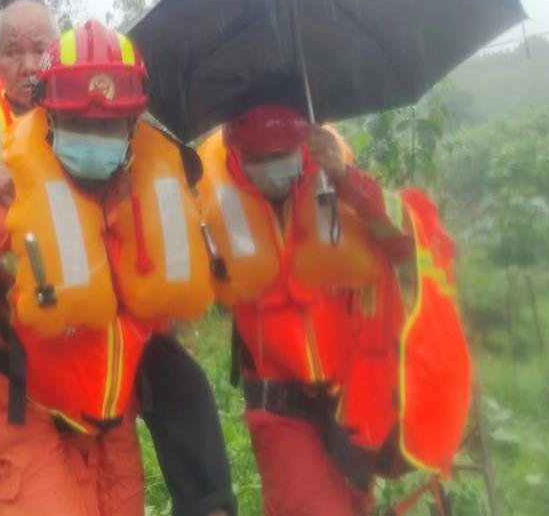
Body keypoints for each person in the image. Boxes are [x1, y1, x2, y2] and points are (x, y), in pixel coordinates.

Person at [0, 20, 233, 515]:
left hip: (111, 423)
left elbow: (166, 309)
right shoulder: (7, 215)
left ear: (133, 127)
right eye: (80, 124)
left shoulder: (149, 206)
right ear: (51, 121)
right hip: (27, 413)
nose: (94, 137)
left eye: (108, 126)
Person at [195, 105, 471, 515]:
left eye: (282, 156)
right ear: (236, 152)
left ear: (302, 146)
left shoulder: (338, 179)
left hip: (353, 406)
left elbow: (404, 245)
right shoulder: (209, 199)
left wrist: (346, 179)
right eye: (259, 160)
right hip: (279, 411)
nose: (272, 169)